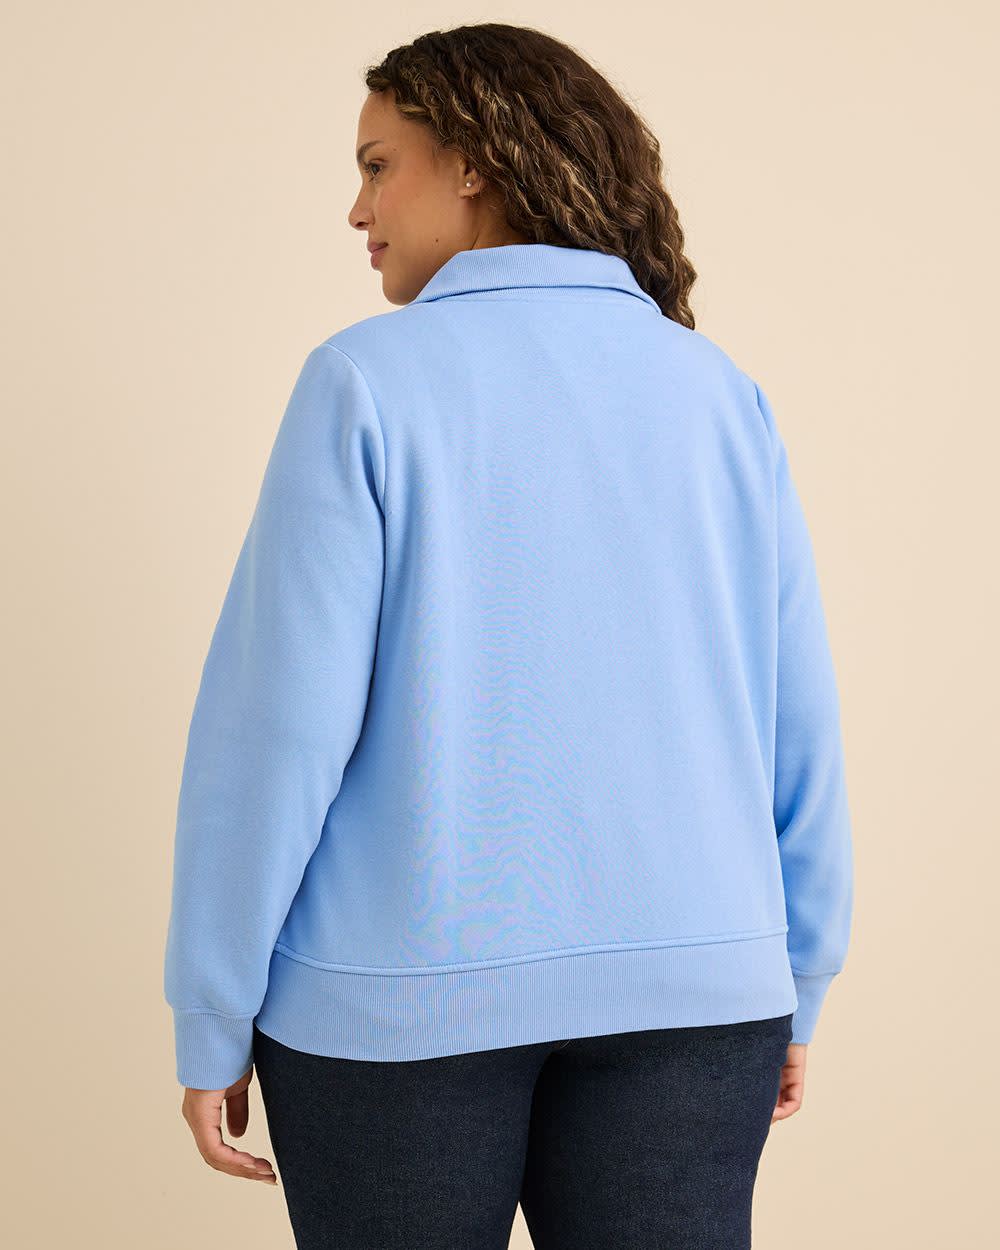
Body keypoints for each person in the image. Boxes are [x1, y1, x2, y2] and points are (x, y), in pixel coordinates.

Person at [163, 21, 854, 1249]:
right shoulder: (717, 392)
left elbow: (274, 736)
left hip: (398, 1012)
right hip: (698, 1001)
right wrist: (793, 974)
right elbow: (793, 718)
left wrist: (211, 1012)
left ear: (474, 159)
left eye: (378, 165)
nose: (357, 207)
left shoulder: (364, 383)